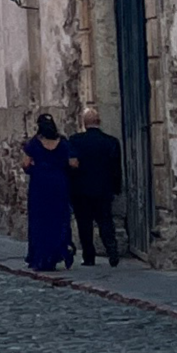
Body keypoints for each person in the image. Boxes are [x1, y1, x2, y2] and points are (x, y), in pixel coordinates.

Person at [66, 108, 122, 267]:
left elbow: (71, 166)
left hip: (80, 190)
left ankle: (89, 256)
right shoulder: (111, 142)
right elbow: (116, 169)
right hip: (103, 189)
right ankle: (112, 251)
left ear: (84, 123)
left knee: (84, 224)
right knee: (105, 221)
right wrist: (116, 188)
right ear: (99, 122)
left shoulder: (75, 140)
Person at [23, 113, 74, 271]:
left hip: (40, 184)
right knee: (58, 218)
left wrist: (35, 170)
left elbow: (25, 164)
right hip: (59, 184)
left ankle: (40, 256)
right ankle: (59, 251)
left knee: (40, 220)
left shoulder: (34, 143)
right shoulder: (63, 142)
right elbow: (73, 163)